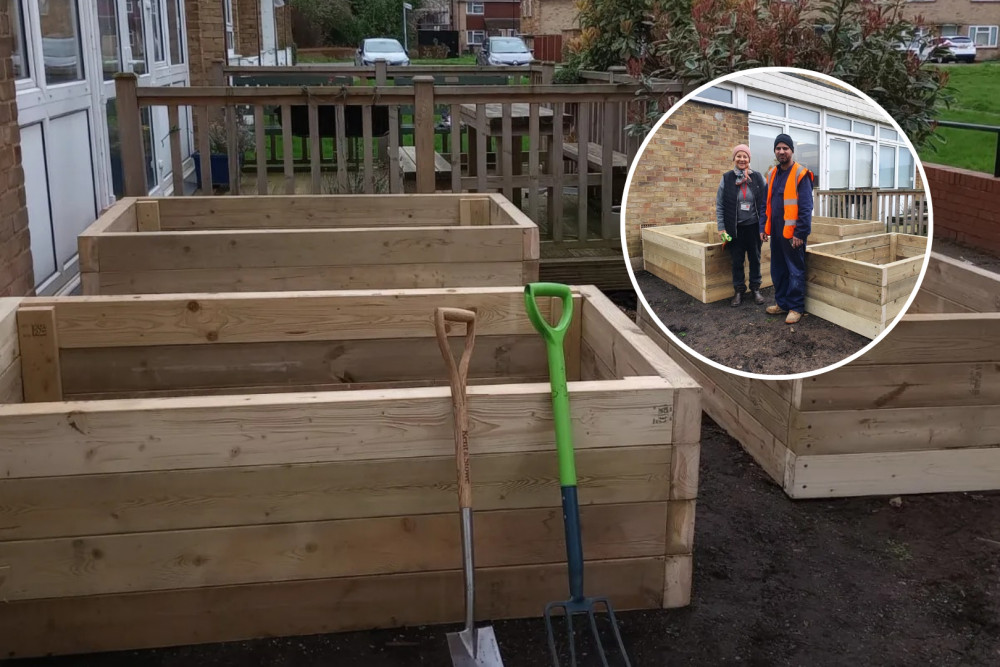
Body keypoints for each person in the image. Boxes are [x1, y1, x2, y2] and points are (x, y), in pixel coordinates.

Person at [760, 134, 814, 325]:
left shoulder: (801, 174)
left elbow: (806, 208)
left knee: (795, 271)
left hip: (793, 236)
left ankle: (795, 307)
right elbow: (766, 204)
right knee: (778, 270)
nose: (781, 152)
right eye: (778, 148)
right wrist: (763, 227)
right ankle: (782, 303)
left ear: (791, 150)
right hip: (776, 233)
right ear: (775, 151)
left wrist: (800, 232)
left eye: (785, 148)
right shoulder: (772, 174)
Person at [716, 144, 767, 307]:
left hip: (754, 227)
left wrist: (765, 227)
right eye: (739, 156)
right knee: (737, 261)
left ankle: (755, 289)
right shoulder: (726, 178)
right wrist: (721, 227)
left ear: (749, 159)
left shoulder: (758, 178)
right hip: (734, 229)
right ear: (734, 159)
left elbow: (766, 203)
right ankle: (738, 291)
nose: (742, 159)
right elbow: (720, 205)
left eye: (745, 156)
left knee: (755, 259)